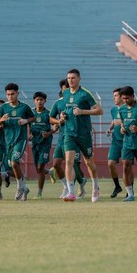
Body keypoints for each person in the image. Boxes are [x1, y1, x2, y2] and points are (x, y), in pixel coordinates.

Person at [60, 69, 103, 202]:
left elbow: (100, 110)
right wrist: (63, 115)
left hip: (84, 133)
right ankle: (71, 192)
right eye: (68, 78)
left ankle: (95, 187)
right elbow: (66, 109)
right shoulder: (65, 93)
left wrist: (82, 111)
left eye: (73, 78)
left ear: (79, 79)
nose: (70, 80)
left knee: (89, 162)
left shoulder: (85, 94)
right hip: (69, 132)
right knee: (68, 160)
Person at [0, 83, 35, 201]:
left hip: (20, 139)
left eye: (12, 94)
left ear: (17, 93)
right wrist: (2, 119)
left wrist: (25, 121)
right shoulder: (3, 108)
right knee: (13, 166)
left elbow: (33, 118)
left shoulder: (24, 107)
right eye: (8, 94)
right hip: (8, 141)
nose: (10, 96)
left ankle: (19, 188)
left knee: (14, 162)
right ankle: (24, 188)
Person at [48, 80, 87, 199]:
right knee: (55, 164)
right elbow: (51, 118)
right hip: (62, 138)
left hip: (74, 137)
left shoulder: (78, 101)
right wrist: (58, 121)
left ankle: (76, 187)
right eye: (65, 89)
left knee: (73, 164)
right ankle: (67, 185)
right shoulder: (58, 103)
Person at [29, 91, 55, 199]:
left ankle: (39, 193)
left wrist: (49, 133)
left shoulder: (48, 113)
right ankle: (50, 172)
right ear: (34, 101)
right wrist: (29, 133)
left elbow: (56, 126)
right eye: (37, 100)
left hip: (45, 144)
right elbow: (26, 124)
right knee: (38, 170)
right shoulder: (30, 113)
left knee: (40, 167)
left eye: (41, 100)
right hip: (35, 143)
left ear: (45, 101)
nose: (39, 102)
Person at [106, 88, 124, 198]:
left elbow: (131, 120)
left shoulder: (127, 108)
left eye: (116, 96)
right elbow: (114, 120)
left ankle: (130, 190)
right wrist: (110, 128)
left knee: (128, 166)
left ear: (122, 97)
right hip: (115, 141)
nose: (114, 98)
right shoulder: (113, 110)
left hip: (127, 140)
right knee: (110, 163)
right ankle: (117, 186)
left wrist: (121, 122)